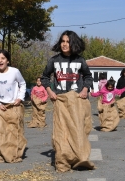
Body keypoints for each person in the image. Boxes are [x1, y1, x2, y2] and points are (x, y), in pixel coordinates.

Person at [41, 30, 95, 172]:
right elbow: (44, 77)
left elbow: (89, 77)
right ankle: (63, 160)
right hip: (61, 100)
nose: (65, 44)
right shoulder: (54, 60)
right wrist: (50, 91)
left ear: (73, 43)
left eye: (68, 41)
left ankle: (79, 157)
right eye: (63, 41)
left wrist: (85, 90)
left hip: (77, 100)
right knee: (62, 131)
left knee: (77, 129)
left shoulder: (80, 60)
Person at [0, 49, 27, 163]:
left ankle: (16, 154)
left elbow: (23, 84)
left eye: (3, 58)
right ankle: (1, 154)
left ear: (8, 61)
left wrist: (20, 97)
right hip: (0, 106)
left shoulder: (15, 72)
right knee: (0, 131)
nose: (0, 61)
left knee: (15, 130)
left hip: (14, 105)